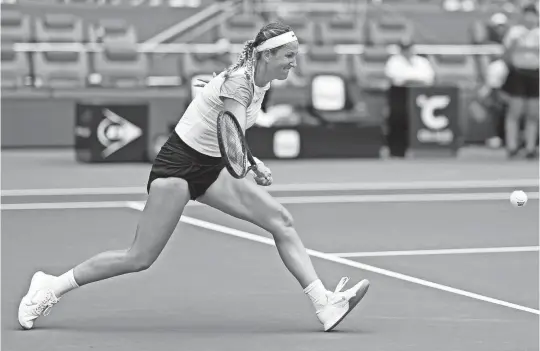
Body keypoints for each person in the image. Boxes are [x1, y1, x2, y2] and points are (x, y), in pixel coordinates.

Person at [18, 22, 370, 333]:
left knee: (281, 221)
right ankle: (51, 286)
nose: (294, 62)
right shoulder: (239, 84)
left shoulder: (260, 81)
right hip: (179, 168)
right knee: (139, 257)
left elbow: (229, 138)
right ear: (266, 56)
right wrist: (250, 165)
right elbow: (231, 134)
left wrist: (251, 162)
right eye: (288, 55)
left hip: (210, 167)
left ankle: (324, 303)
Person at [500, 3, 539, 159]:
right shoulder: (514, 33)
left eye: (532, 15)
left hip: (535, 75)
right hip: (518, 74)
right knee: (515, 111)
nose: (529, 18)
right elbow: (505, 55)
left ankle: (530, 147)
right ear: (522, 16)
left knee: (533, 113)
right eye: (527, 14)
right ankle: (512, 146)